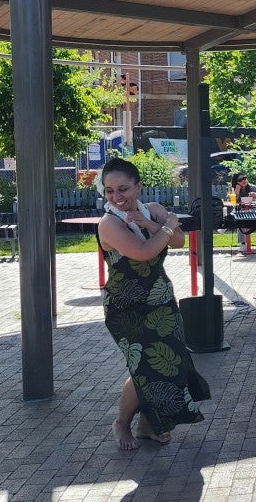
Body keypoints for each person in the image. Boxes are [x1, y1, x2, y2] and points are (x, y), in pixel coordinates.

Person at [96, 157, 210, 450]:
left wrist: (152, 223)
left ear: (138, 186)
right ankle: (121, 423)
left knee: (170, 363)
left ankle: (147, 425)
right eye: (109, 191)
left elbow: (179, 241)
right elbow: (145, 251)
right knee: (144, 366)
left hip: (160, 299)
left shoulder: (153, 210)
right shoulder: (109, 224)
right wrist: (167, 226)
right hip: (127, 306)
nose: (116, 196)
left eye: (123, 189)